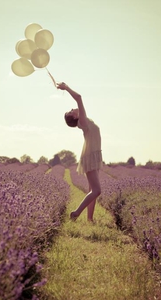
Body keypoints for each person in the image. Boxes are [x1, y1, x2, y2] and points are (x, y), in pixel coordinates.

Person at [57, 82, 102, 222]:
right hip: (90, 156)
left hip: (94, 154)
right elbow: (79, 97)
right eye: (71, 111)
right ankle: (75, 213)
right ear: (75, 117)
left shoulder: (84, 120)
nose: (72, 108)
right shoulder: (82, 121)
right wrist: (66, 88)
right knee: (97, 190)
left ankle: (90, 219)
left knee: (92, 190)